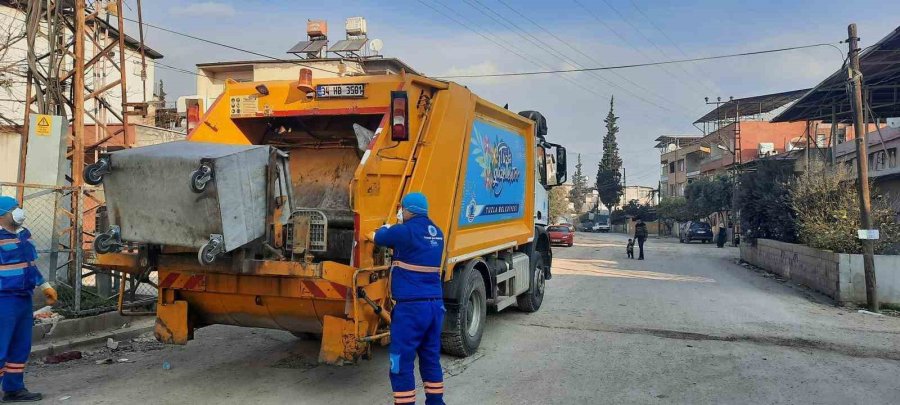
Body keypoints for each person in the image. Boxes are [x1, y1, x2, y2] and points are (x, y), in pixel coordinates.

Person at [374, 192, 446, 405]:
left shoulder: (403, 231)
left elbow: (379, 237)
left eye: (401, 209)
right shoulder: (438, 233)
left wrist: (386, 227)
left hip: (411, 309)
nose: (400, 212)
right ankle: (436, 402)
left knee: (401, 361)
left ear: (407, 210)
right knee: (430, 358)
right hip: (435, 306)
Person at [0, 196, 57, 402]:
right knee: (1, 346)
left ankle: (14, 389)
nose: (19, 211)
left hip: (24, 297)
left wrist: (44, 285)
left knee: (20, 345)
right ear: (2, 214)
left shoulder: (24, 234)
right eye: (14, 208)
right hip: (4, 299)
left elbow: (30, 264)